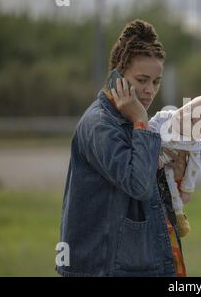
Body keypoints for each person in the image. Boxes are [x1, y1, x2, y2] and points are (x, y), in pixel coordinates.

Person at [57, 19, 188, 277]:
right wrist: (141, 120)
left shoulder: (131, 120)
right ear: (118, 77)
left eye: (156, 82)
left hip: (135, 264)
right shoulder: (100, 125)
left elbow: (151, 195)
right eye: (142, 80)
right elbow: (138, 185)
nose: (150, 91)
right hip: (103, 269)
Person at [149, 95, 201, 237]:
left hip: (168, 169)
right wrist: (151, 148)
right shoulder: (166, 117)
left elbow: (193, 167)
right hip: (152, 157)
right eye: (188, 107)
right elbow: (151, 125)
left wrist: (187, 188)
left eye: (191, 120)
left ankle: (178, 215)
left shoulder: (192, 143)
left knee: (172, 187)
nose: (184, 114)